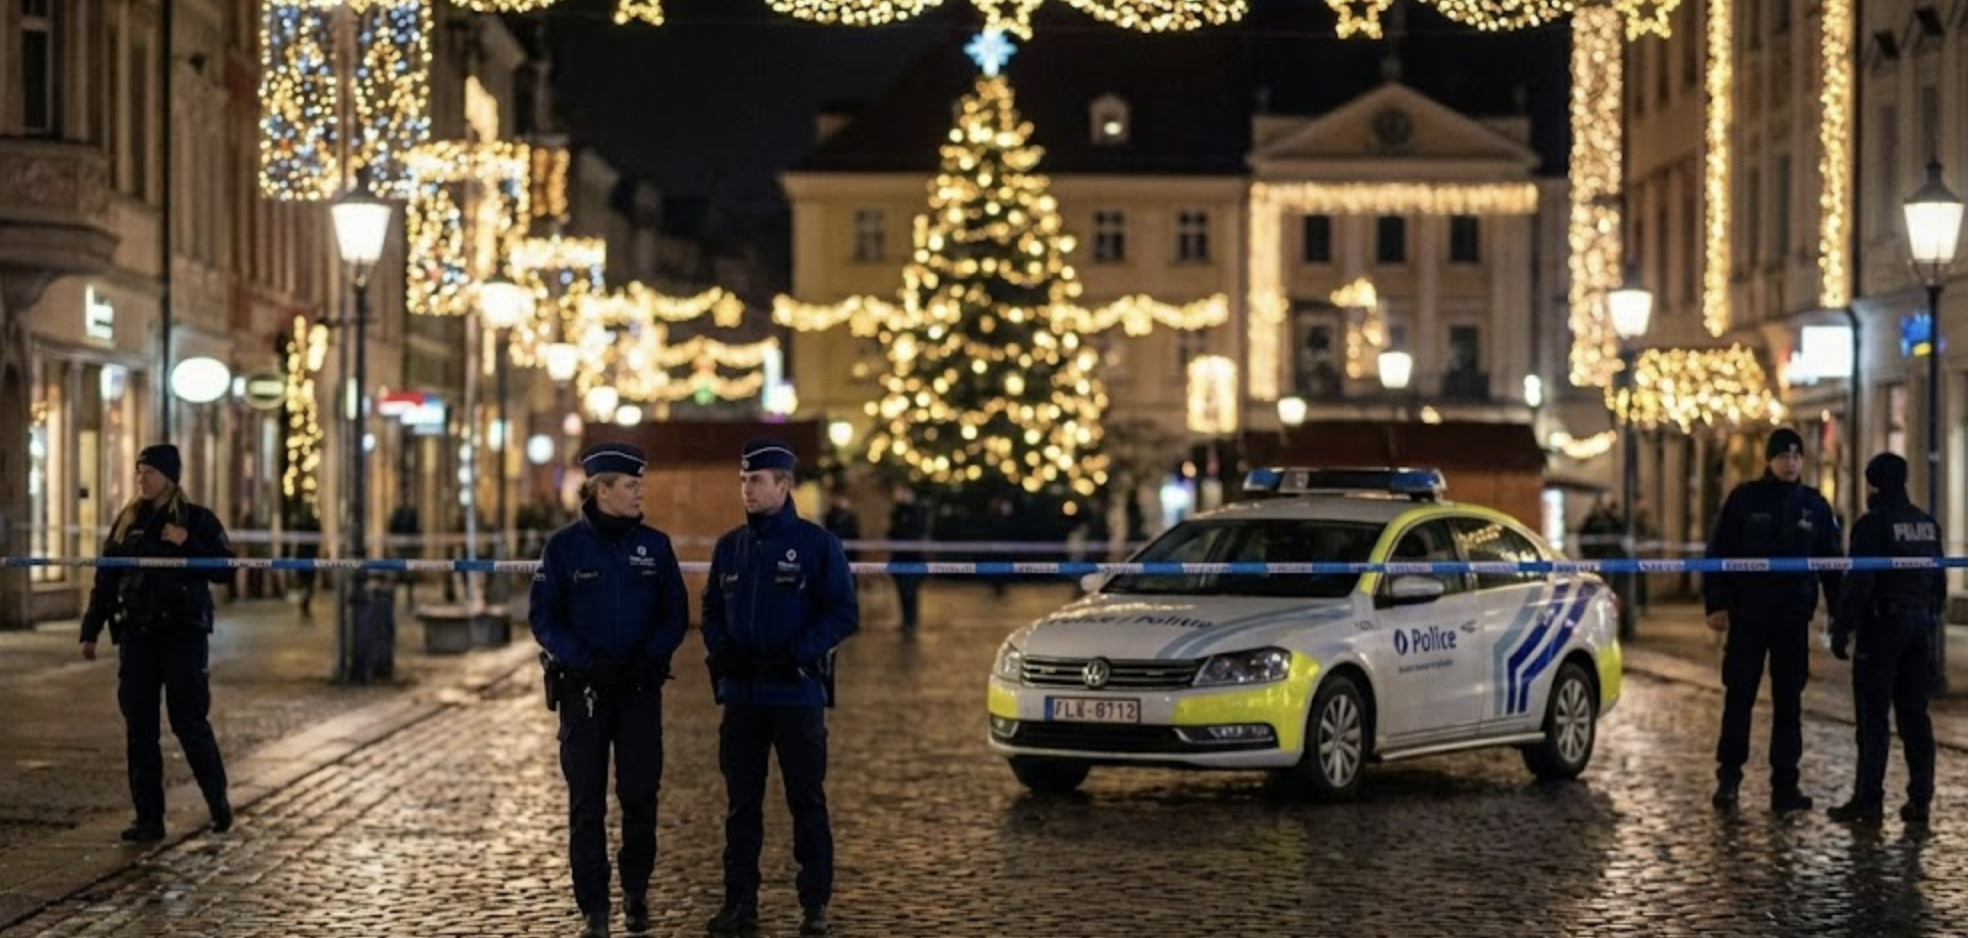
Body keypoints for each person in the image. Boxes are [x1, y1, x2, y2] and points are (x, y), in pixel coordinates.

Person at [530, 444, 688, 938]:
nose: (640, 491)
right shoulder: (563, 548)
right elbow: (544, 618)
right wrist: (584, 662)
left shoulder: (656, 547)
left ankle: (636, 891)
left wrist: (648, 658)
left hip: (639, 691)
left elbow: (675, 615)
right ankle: (594, 908)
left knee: (641, 796)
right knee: (586, 804)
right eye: (631, 484)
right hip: (586, 694)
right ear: (602, 490)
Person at [702, 438, 859, 938]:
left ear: (784, 485)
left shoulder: (817, 545)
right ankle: (739, 904)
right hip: (744, 698)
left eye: (757, 480)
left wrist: (799, 651)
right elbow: (710, 609)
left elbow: (842, 612)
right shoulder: (730, 545)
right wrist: (721, 650)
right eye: (743, 480)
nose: (747, 489)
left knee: (806, 802)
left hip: (795, 695)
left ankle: (815, 907)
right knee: (741, 807)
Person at [78, 444, 235, 842]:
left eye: (149, 472)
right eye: (139, 472)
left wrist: (188, 544)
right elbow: (106, 577)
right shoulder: (128, 521)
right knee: (140, 729)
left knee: (188, 722)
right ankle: (148, 818)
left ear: (168, 476)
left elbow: (225, 570)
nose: (142, 479)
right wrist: (91, 627)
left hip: (183, 634)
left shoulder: (196, 519)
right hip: (138, 635)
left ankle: (217, 802)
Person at [1702, 427, 1844, 813]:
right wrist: (1715, 603)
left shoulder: (1814, 505)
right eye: (1783, 456)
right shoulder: (1744, 500)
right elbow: (1717, 553)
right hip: (1749, 614)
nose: (1790, 463)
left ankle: (1785, 786)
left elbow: (1831, 563)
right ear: (1769, 459)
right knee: (1739, 697)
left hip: (1793, 618)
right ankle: (1729, 779)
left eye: (1796, 457)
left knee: (1789, 703)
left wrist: (1838, 614)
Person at [1827, 453, 1942, 825]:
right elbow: (1938, 584)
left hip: (1882, 629)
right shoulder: (1926, 524)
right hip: (1918, 628)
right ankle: (1920, 798)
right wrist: (1926, 620)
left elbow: (1859, 582)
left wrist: (1842, 627)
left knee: (1873, 717)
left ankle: (1868, 800)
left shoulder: (1872, 525)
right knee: (1915, 716)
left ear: (1873, 485)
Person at [887, 484, 926, 635]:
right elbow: (891, 532)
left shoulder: (916, 511)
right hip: (899, 559)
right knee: (902, 592)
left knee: (911, 592)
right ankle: (906, 621)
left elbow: (912, 533)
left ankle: (912, 621)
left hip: (913, 560)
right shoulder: (897, 511)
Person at [821, 487, 861, 563]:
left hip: (849, 551)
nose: (839, 501)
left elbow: (854, 532)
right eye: (837, 498)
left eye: (841, 499)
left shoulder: (850, 516)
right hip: (834, 550)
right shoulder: (830, 516)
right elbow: (828, 531)